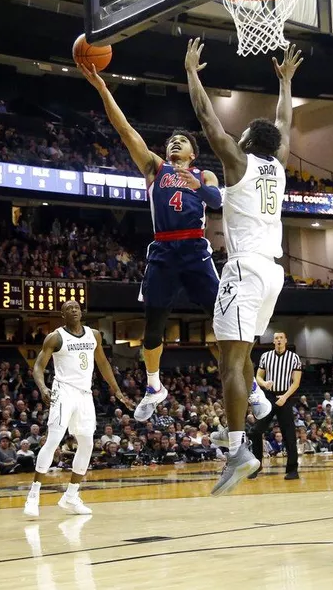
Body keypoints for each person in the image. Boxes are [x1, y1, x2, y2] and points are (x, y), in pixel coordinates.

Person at [184, 38, 302, 496]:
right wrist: (286, 83)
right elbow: (285, 124)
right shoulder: (281, 166)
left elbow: (207, 119)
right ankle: (254, 409)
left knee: (229, 359)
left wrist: (192, 73)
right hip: (273, 272)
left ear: (249, 142)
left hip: (245, 268)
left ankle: (238, 448)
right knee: (243, 353)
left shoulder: (239, 162)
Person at [79, 62, 222, 423]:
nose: (175, 142)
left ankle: (248, 385)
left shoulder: (202, 173)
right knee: (153, 325)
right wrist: (100, 86)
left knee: (223, 321)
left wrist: (198, 186)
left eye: (183, 141)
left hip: (195, 249)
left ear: (192, 153)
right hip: (163, 250)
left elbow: (218, 202)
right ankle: (155, 385)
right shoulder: (155, 169)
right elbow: (124, 128)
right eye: (171, 140)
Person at [23, 301, 133, 518]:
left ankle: (71, 496)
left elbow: (103, 364)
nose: (73, 310)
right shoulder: (55, 337)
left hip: (84, 393)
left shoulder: (94, 335)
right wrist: (43, 387)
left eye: (76, 307)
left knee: (87, 444)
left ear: (81, 312)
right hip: (63, 390)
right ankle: (33, 494)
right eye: (68, 308)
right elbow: (38, 367)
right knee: (53, 439)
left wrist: (118, 391)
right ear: (63, 315)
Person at [240, 332, 302, 480]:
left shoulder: (294, 358)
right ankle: (257, 465)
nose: (279, 340)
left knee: (289, 435)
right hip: (268, 397)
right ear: (273, 341)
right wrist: (264, 383)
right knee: (256, 431)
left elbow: (296, 382)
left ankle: (293, 470)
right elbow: (259, 377)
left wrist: (285, 397)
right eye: (276, 338)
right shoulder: (266, 356)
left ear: (286, 340)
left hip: (285, 397)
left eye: (281, 338)